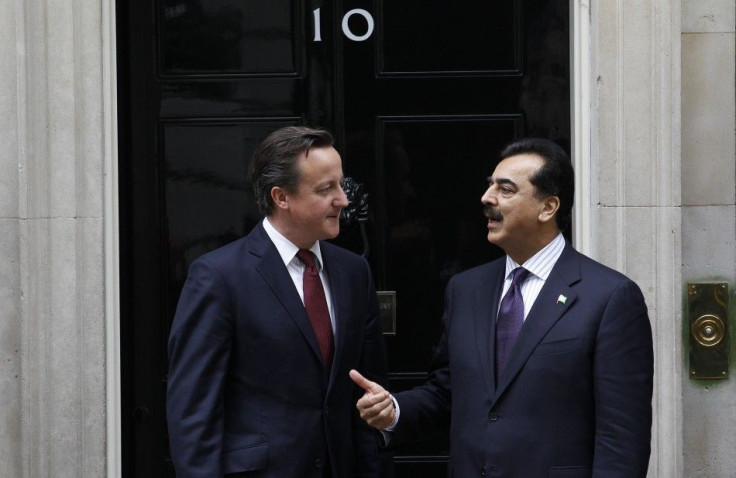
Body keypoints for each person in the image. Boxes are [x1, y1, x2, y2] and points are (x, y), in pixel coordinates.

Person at [351, 138, 654, 477]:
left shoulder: (609, 297)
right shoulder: (465, 290)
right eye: (490, 186)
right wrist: (394, 410)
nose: (487, 198)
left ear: (548, 207)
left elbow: (622, 438)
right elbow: (448, 394)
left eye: (505, 190)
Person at [167, 126, 389, 477]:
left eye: (340, 184)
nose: (344, 200)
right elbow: (194, 411)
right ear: (281, 197)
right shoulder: (219, 276)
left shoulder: (353, 272)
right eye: (325, 189)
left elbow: (368, 394)